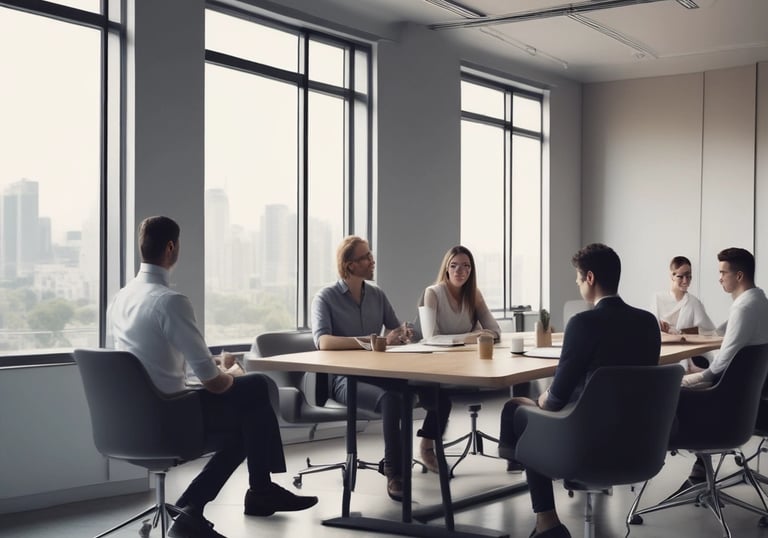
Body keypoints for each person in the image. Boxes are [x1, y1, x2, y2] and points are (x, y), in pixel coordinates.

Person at [107, 216, 317, 538]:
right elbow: (215, 383)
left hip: (130, 422)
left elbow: (147, 363)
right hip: (171, 419)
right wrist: (231, 369)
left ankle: (206, 507)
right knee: (258, 387)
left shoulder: (122, 299)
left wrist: (207, 369)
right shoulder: (170, 301)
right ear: (171, 247)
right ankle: (253, 492)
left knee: (249, 423)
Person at [498, 243, 661, 538]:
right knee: (526, 414)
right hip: (640, 442)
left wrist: (541, 400)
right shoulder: (648, 322)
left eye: (577, 278)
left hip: (586, 442)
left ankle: (546, 520)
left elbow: (556, 398)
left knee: (519, 410)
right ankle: (524, 463)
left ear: (589, 278)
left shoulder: (584, 323)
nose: (577, 283)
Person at [311, 235, 450, 500]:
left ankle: (428, 448)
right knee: (392, 401)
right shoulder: (325, 297)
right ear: (350, 264)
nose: (372, 260)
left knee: (438, 393)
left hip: (379, 372)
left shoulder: (376, 294)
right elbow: (323, 342)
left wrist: (402, 334)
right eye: (365, 257)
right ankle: (393, 472)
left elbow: (395, 328)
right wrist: (371, 341)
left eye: (370, 254)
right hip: (344, 379)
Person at [673, 247, 768, 490]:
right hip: (749, 399)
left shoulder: (743, 308)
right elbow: (716, 333)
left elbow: (718, 368)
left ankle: (694, 470)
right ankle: (699, 471)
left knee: (671, 392)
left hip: (727, 406)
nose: (719, 278)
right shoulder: (759, 300)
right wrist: (679, 334)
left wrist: (686, 380)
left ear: (738, 276)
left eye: (722, 272)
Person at [419, 245, 500, 469]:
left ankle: (513, 452)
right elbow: (431, 337)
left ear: (471, 270)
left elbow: (495, 331)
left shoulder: (473, 295)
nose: (459, 271)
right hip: (436, 364)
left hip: (466, 365)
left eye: (466, 266)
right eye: (454, 266)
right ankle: (427, 447)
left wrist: (481, 335)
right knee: (440, 394)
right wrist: (470, 337)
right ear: (446, 268)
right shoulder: (433, 293)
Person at [652, 255, 719, 371]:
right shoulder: (658, 298)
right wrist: (667, 333)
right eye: (680, 276)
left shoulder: (694, 303)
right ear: (672, 275)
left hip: (687, 351)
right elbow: (652, 329)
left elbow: (708, 332)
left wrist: (678, 332)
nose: (685, 281)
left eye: (689, 276)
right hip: (663, 350)